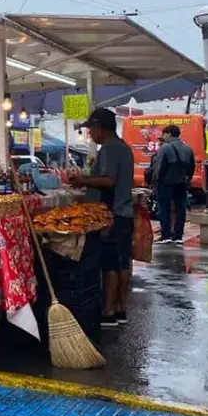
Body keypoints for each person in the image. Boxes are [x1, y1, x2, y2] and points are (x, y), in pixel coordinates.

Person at [68, 108, 134, 328]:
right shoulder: (123, 147)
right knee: (122, 262)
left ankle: (107, 311)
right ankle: (119, 308)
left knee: (110, 264)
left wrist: (84, 180)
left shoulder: (110, 148)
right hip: (124, 213)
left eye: (91, 129)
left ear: (99, 128)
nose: (89, 134)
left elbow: (108, 181)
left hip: (111, 214)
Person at [152, 124, 195, 245]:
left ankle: (166, 235)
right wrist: (187, 180)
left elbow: (159, 168)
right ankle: (178, 236)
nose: (163, 136)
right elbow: (191, 167)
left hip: (165, 183)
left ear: (169, 134)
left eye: (164, 134)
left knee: (164, 208)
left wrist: (155, 182)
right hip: (181, 183)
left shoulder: (164, 148)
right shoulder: (188, 149)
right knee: (181, 209)